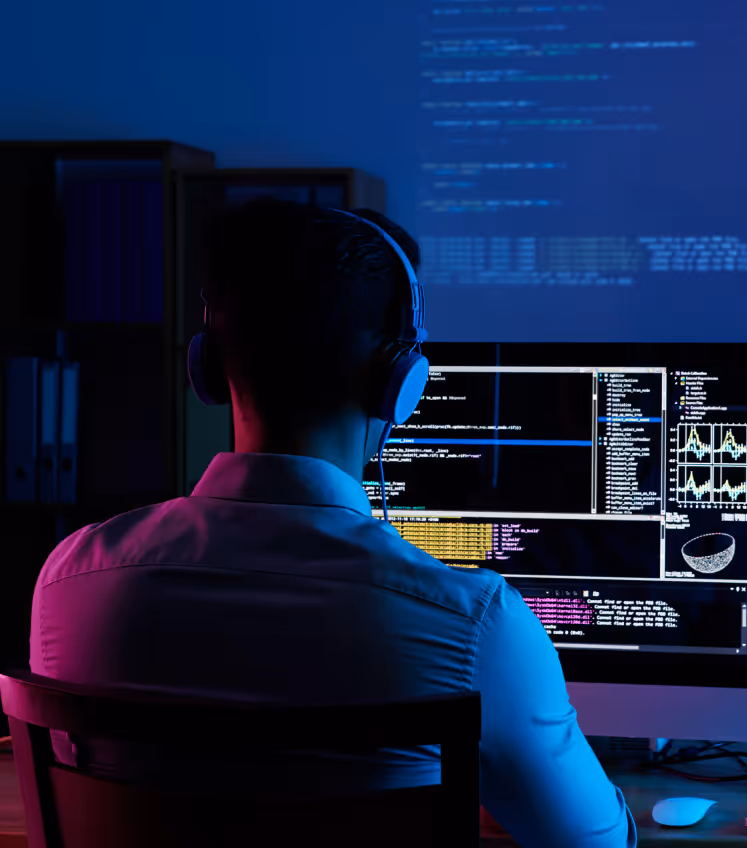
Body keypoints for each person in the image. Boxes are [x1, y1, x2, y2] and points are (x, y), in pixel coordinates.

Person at [30, 198, 636, 848]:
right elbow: (593, 844)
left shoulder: (72, 580)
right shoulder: (478, 628)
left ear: (209, 363)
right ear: (399, 379)